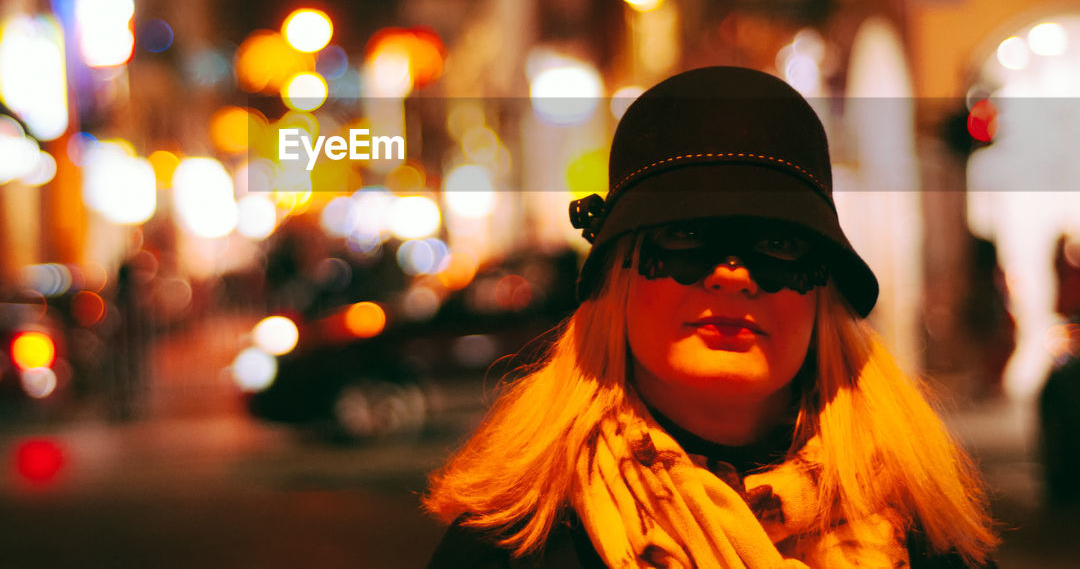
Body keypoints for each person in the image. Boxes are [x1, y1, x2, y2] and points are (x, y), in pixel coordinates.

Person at [424, 66, 998, 568]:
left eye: (776, 242)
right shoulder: (512, 546)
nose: (731, 276)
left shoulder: (927, 539)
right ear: (619, 274)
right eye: (684, 235)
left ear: (823, 291)